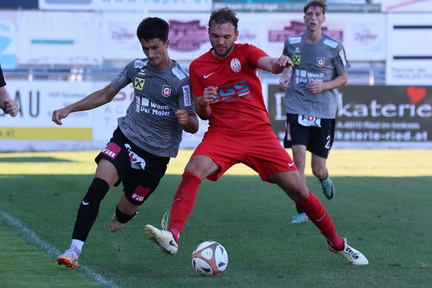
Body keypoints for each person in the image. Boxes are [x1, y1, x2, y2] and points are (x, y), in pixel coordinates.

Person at [144, 7, 368, 265]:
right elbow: (202, 114)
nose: (221, 41)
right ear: (208, 33)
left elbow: (270, 63)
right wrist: (204, 102)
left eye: (227, 36)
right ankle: (173, 235)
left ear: (236, 34)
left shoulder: (246, 52)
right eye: (216, 36)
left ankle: (337, 243)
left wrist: (280, 62)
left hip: (259, 135)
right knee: (193, 170)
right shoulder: (198, 66)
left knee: (300, 190)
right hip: (222, 135)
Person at [52, 17, 199, 269]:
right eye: (145, 48)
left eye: (155, 48)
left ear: (167, 43)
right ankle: (74, 250)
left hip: (155, 157)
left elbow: (194, 123)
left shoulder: (180, 80)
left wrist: (187, 120)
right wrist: (70, 108)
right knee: (98, 187)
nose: (150, 54)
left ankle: (127, 213)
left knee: (122, 215)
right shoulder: (137, 68)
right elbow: (106, 94)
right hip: (126, 138)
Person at [279, 0, 349, 224]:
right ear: (304, 18)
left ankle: (324, 178)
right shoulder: (292, 43)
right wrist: (284, 76)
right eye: (309, 13)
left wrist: (324, 85)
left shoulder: (333, 46)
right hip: (296, 106)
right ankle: (303, 210)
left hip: (323, 111)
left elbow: (343, 77)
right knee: (297, 160)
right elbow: (287, 65)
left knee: (317, 168)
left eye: (317, 14)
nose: (312, 17)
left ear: (323, 19)